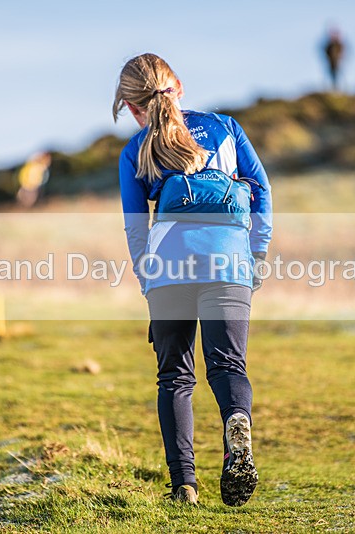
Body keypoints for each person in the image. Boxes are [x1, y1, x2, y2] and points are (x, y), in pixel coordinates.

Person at [112, 53, 272, 506]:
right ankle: (236, 422)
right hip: (228, 260)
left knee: (175, 378)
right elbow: (261, 190)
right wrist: (256, 252)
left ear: (131, 107)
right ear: (177, 86)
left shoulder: (134, 152)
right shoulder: (225, 127)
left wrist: (148, 277)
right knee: (228, 367)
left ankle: (184, 486)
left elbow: (135, 227)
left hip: (169, 269)